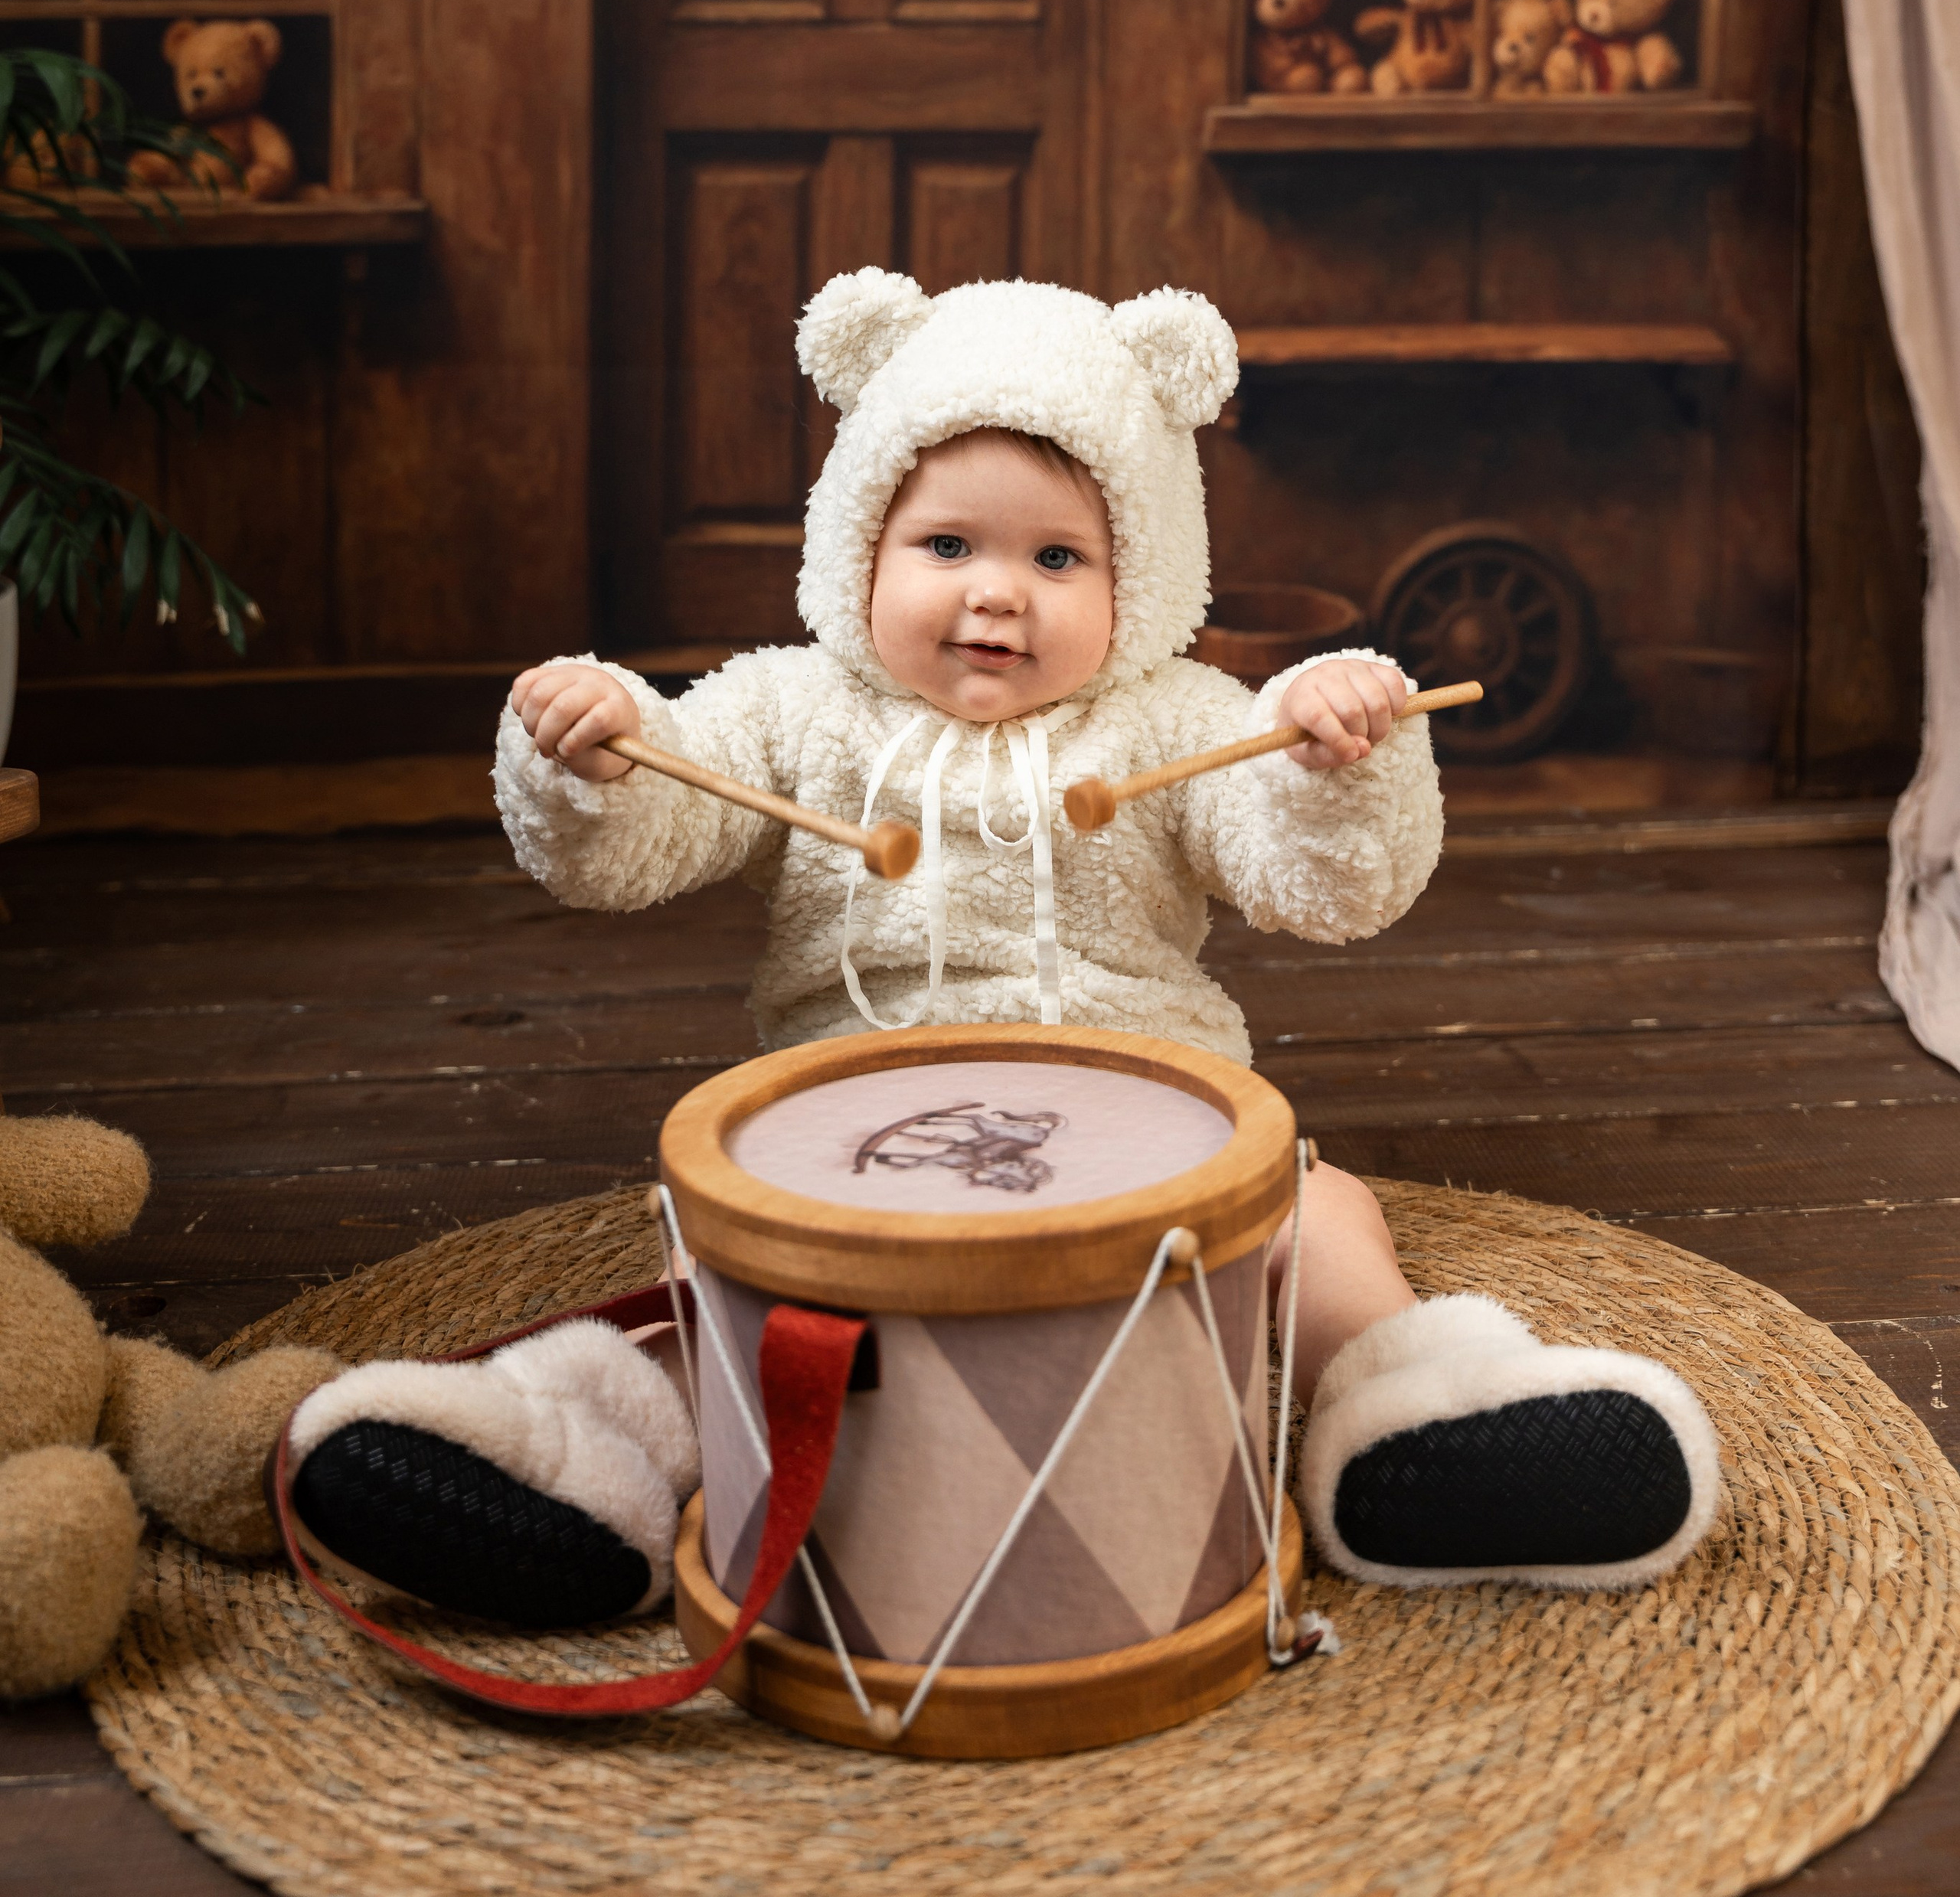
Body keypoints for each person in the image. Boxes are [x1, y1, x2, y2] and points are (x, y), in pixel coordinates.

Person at [286, 276, 1717, 1627]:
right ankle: (575, 1448)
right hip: (860, 1131)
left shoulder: (1169, 719)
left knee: (1318, 1216)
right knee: (753, 1294)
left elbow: (1316, 878)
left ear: (1139, 575)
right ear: (859, 543)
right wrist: (597, 754)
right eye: (948, 545)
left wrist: (1329, 753)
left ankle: (1418, 1418)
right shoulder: (794, 712)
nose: (996, 594)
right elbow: (645, 826)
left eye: (1057, 556)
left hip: (1154, 1111)